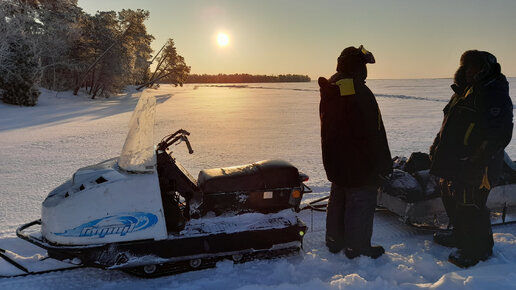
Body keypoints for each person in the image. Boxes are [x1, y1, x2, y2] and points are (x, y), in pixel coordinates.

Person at [429, 50, 513, 268]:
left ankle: (478, 249)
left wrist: (477, 159)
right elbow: (448, 124)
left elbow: (500, 133)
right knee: (452, 197)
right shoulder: (463, 92)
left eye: (474, 67)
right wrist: (436, 146)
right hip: (454, 160)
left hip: (478, 163)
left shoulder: (493, 93)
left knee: (472, 204)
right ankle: (460, 236)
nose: (469, 71)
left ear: (485, 69)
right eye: (466, 66)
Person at [318, 45, 392, 259]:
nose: (366, 70)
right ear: (357, 67)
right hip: (359, 160)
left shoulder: (333, 86)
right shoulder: (357, 90)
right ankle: (357, 246)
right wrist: (382, 163)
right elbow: (373, 132)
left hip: (336, 157)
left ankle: (335, 239)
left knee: (340, 194)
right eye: (364, 65)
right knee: (361, 199)